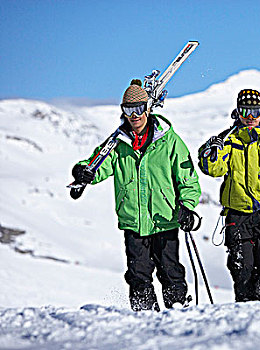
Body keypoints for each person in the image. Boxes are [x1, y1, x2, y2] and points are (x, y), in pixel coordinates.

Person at [71, 79, 201, 311]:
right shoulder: (118, 143)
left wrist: (188, 206)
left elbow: (187, 177)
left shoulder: (169, 140)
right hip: (134, 221)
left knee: (170, 271)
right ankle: (144, 316)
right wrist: (83, 171)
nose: (134, 115)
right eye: (128, 110)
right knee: (138, 275)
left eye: (139, 108)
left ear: (148, 108)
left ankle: (178, 310)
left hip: (165, 219)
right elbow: (99, 163)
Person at [197, 88, 260, 302]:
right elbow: (213, 169)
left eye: (255, 111)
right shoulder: (230, 141)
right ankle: (246, 316)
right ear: (237, 112)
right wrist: (210, 151)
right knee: (242, 271)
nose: (251, 117)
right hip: (238, 215)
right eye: (245, 111)